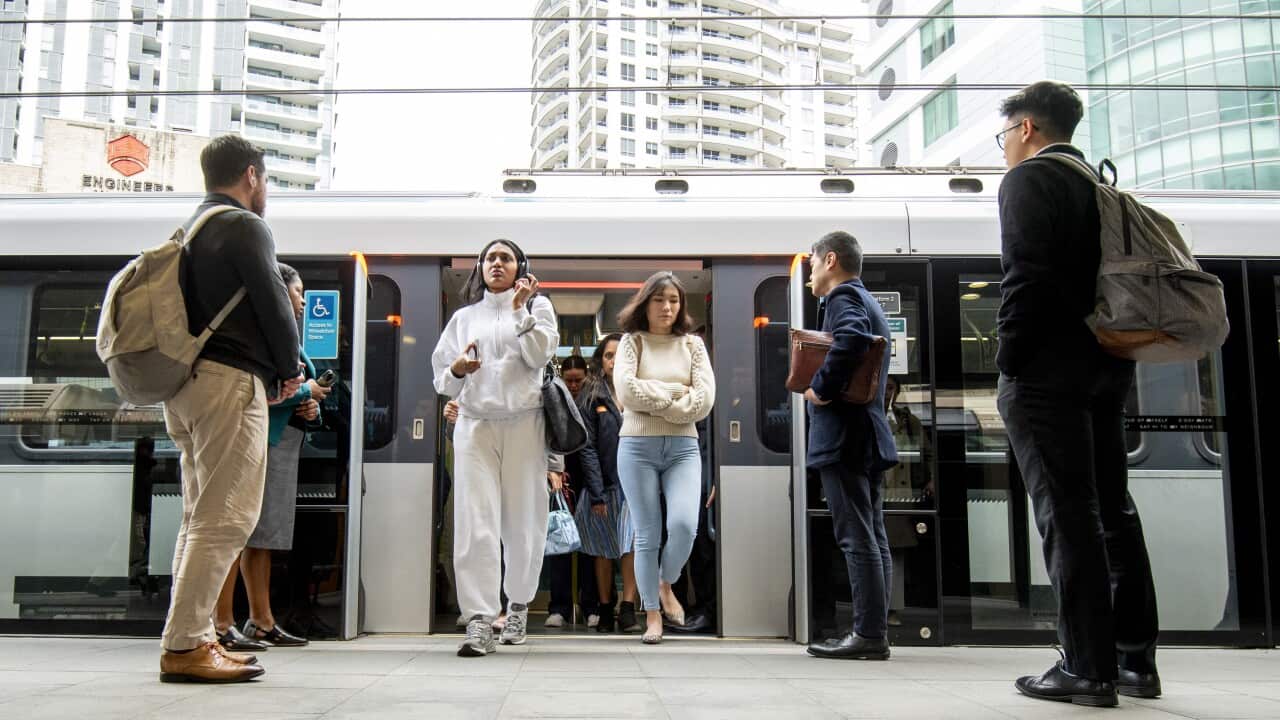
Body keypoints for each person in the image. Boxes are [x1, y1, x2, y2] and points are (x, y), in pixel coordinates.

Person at [994, 80, 1159, 707]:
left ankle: (1086, 667)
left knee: (1067, 514)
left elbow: (1025, 280)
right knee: (1112, 510)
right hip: (1105, 368)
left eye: (1004, 134)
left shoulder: (1030, 180)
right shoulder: (1100, 183)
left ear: (1027, 129)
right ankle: (1135, 660)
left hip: (1046, 375)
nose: (1004, 147)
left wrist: (1009, 364)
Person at [158, 135, 303, 683]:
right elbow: (272, 300)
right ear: (251, 175)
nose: (264, 192)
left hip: (189, 384)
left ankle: (189, 635)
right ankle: (188, 644)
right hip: (229, 384)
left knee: (199, 517)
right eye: (264, 182)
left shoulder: (191, 230)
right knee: (227, 518)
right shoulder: (244, 225)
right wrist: (290, 369)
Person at [431, 239, 559, 657]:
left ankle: (518, 605)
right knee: (475, 521)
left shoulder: (539, 309)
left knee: (525, 521)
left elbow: (539, 354)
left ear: (520, 266)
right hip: (474, 425)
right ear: (481, 268)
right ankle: (480, 620)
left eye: (506, 258)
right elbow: (441, 379)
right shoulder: (464, 318)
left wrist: (521, 309)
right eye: (490, 258)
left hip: (525, 421)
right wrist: (458, 368)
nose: (497, 264)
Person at [214, 263, 328, 652]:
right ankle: (220, 621)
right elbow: (256, 390)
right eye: (298, 293)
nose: (302, 301)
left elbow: (294, 393)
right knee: (237, 533)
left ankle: (261, 621)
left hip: (282, 441)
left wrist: (311, 406)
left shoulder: (287, 339)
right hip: (259, 440)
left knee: (260, 538)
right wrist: (304, 394)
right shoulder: (262, 336)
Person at [803, 231, 897, 662]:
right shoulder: (866, 298)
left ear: (831, 261)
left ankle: (868, 634)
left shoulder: (842, 299)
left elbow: (852, 340)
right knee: (873, 535)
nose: (809, 272)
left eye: (812, 263)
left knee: (856, 536)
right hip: (867, 434)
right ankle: (874, 629)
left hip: (845, 436)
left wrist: (820, 387)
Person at [614, 272, 716, 644]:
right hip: (636, 448)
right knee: (647, 535)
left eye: (673, 300)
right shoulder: (632, 342)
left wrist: (656, 398)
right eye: (659, 300)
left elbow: (705, 401)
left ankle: (665, 583)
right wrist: (677, 396)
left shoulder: (693, 346)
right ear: (645, 303)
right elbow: (626, 391)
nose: (667, 307)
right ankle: (652, 615)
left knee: (686, 525)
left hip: (683, 448)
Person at [576, 334, 640, 633]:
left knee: (630, 545)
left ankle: (627, 607)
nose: (614, 360)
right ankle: (604, 607)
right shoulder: (591, 395)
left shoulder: (639, 391)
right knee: (602, 549)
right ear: (601, 361)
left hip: (634, 484)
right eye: (608, 355)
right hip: (602, 484)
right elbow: (586, 446)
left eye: (620, 354)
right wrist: (596, 491)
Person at [544, 354, 594, 629]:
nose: (574, 386)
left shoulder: (593, 401)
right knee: (559, 541)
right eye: (569, 380)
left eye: (579, 380)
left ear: (586, 377)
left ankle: (590, 605)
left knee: (587, 543)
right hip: (560, 479)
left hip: (586, 481)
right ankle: (559, 606)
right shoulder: (556, 400)